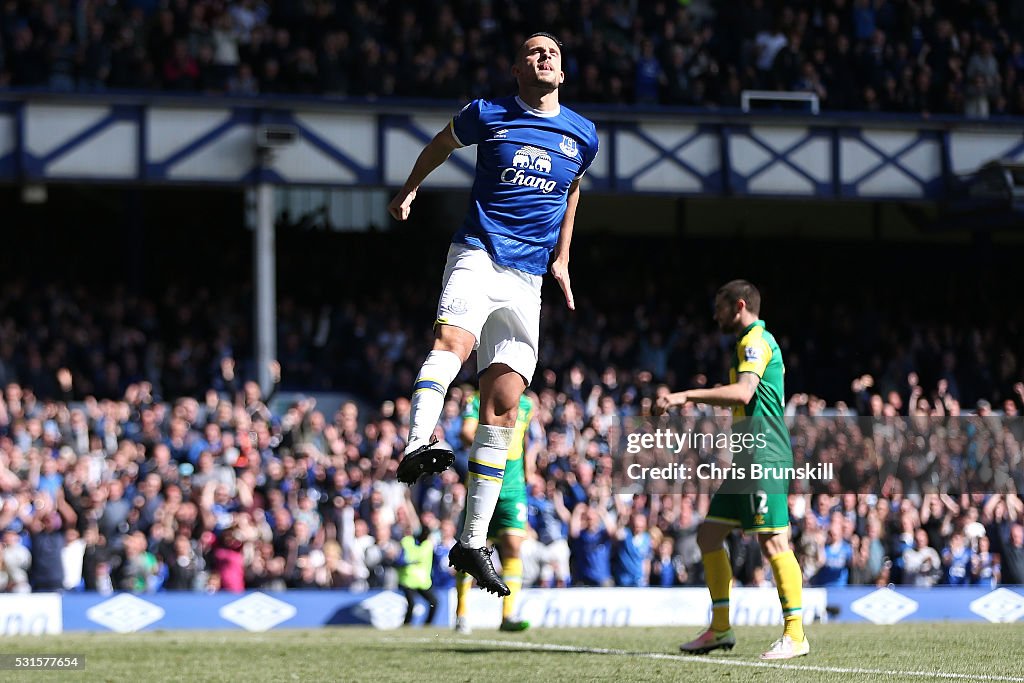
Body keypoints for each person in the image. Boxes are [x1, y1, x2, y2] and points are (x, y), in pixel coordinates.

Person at [388, 31, 599, 596]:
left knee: (503, 409)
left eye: (553, 50)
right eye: (534, 51)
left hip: (528, 279)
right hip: (480, 252)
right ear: (517, 68)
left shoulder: (583, 133)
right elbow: (439, 143)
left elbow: (573, 191)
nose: (546, 55)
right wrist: (411, 187)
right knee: (452, 343)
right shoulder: (488, 114)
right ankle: (416, 442)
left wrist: (563, 259)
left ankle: (471, 540)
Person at [655, 280, 809, 660]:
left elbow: (743, 392)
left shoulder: (755, 340)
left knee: (773, 542)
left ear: (739, 305)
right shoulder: (747, 343)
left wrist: (683, 396)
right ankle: (720, 629)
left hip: (765, 455)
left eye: (720, 307)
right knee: (709, 536)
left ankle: (796, 635)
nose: (715, 315)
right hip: (747, 458)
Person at [454, 390, 535, 634]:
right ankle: (462, 614)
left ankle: (508, 614)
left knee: (513, 547)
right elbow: (466, 432)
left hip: (514, 488)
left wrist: (529, 471)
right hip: (484, 483)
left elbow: (525, 440)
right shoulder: (478, 399)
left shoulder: (527, 404)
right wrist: (496, 440)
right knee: (472, 546)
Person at [397, 523, 438, 626]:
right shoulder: (407, 543)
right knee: (411, 604)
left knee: (434, 602)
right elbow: (399, 561)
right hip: (408, 581)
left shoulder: (427, 545)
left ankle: (427, 625)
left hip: (422, 582)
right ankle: (406, 625)